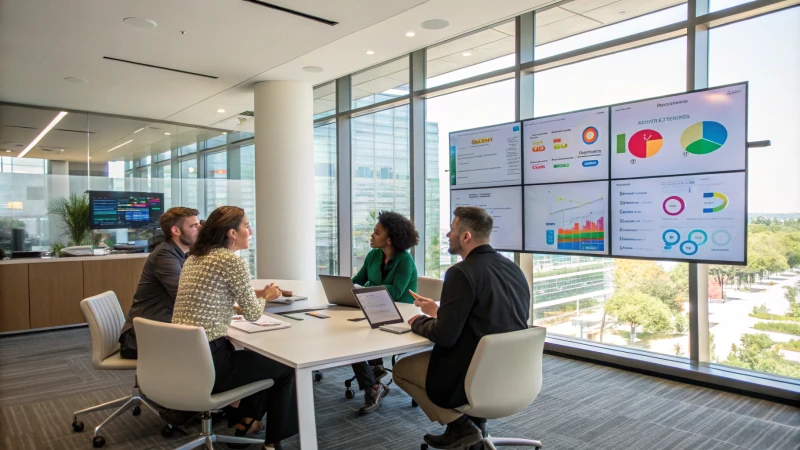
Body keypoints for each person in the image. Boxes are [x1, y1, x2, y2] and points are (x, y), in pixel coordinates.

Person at [393, 206, 530, 450]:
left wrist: (417, 322)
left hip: (472, 372)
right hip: (513, 372)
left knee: (401, 369)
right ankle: (472, 428)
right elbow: (491, 314)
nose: (447, 235)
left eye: (452, 230)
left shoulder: (460, 273)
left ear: (466, 237)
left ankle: (461, 426)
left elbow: (444, 336)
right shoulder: (512, 268)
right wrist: (439, 311)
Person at [172, 206, 297, 450]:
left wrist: (235, 305)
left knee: (259, 359)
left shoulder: (194, 258)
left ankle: (247, 422)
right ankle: (273, 443)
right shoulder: (230, 261)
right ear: (232, 233)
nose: (250, 231)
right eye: (246, 226)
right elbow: (253, 314)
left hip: (183, 358)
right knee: (284, 368)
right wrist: (268, 296)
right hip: (210, 362)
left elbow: (207, 299)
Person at [350, 210, 419, 415]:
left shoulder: (405, 260)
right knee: (350, 337)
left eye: (376, 232)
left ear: (389, 240)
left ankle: (373, 383)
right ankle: (375, 374)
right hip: (376, 311)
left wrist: (369, 287)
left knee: (356, 338)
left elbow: (397, 292)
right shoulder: (373, 255)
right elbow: (359, 280)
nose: (371, 235)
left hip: (401, 316)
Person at [119, 207, 201, 359]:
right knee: (209, 350)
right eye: (194, 226)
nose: (200, 229)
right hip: (143, 340)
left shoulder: (182, 254)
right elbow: (184, 296)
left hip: (159, 331)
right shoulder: (164, 255)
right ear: (176, 231)